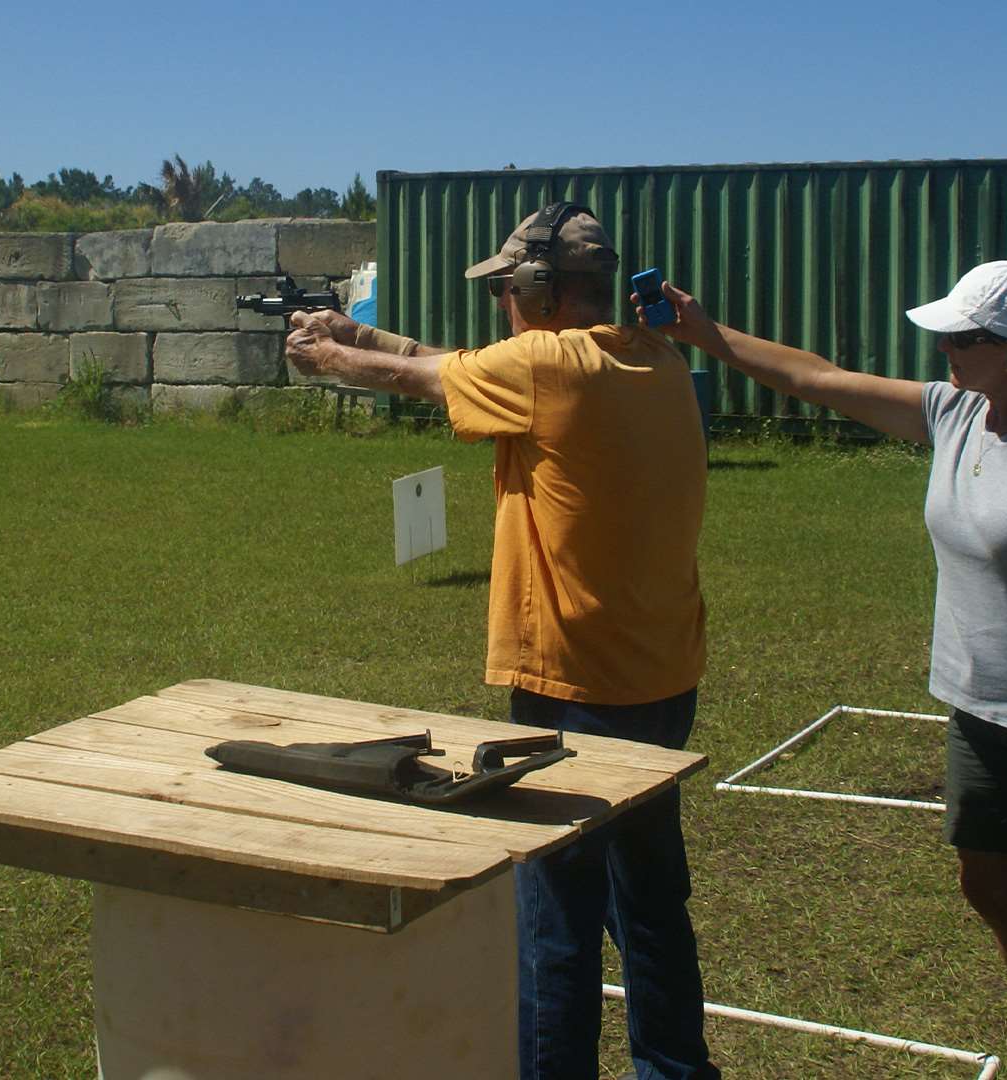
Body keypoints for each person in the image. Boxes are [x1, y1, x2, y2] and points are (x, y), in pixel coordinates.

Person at [638, 261, 1007, 1080]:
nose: (945, 349)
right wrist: (707, 336)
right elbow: (819, 378)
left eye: (962, 337)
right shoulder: (956, 413)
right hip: (974, 706)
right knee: (986, 885)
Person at [284, 203, 721, 1080]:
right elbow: (460, 365)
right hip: (662, 677)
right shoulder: (654, 358)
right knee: (650, 904)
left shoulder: (548, 366)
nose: (500, 307)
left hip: (575, 687)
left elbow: (428, 381)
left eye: (507, 291)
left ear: (538, 289)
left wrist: (327, 355)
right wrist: (357, 329)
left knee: (555, 922)